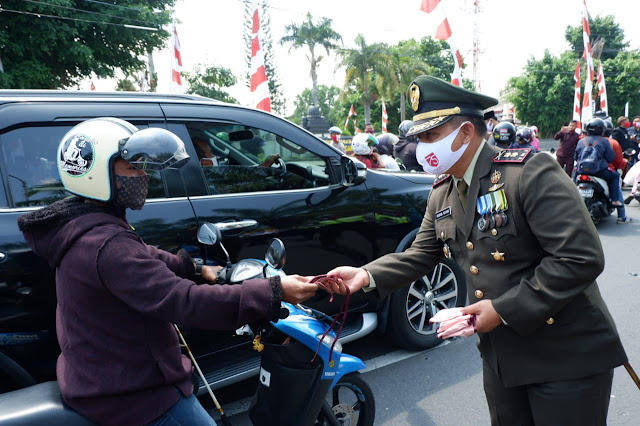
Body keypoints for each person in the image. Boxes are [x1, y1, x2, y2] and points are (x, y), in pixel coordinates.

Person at [325, 75, 628, 425]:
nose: (422, 147)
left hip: (565, 356)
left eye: (430, 136)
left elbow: (580, 257)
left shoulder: (527, 172)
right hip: (502, 358)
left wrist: (501, 309)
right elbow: (421, 254)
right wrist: (364, 275)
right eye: (420, 138)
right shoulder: (443, 191)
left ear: (466, 132)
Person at [16, 118, 317, 426]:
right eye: (133, 169)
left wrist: (195, 266)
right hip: (135, 397)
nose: (143, 176)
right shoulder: (108, 245)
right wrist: (273, 291)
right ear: (96, 175)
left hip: (100, 376)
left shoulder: (85, 227)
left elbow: (143, 256)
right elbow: (184, 302)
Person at [574, 118, 626, 212]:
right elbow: (611, 157)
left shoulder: (581, 141)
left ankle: (571, 197)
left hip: (581, 171)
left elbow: (576, 156)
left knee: (574, 180)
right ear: (602, 130)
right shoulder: (604, 141)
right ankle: (614, 200)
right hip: (599, 172)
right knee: (615, 176)